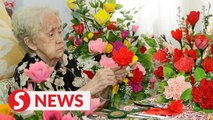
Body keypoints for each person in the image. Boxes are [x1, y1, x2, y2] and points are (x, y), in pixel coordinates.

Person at [11, 6, 126, 99]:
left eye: (60, 32)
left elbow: (94, 102)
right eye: (51, 34)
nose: (60, 39)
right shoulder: (26, 74)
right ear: (31, 42)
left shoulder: (66, 59)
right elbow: (44, 115)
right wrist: (87, 89)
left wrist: (105, 83)